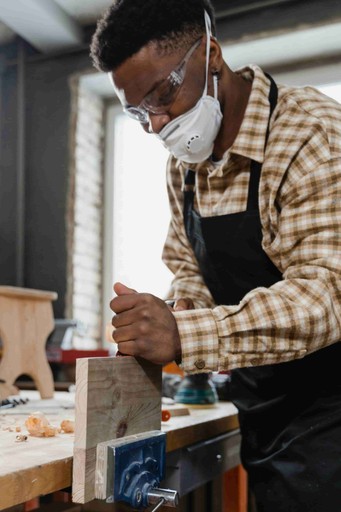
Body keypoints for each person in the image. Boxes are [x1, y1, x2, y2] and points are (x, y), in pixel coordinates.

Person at [90, 1, 341, 510]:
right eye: (138, 112)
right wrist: (176, 310)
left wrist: (184, 334)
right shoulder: (184, 166)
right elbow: (189, 266)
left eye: (163, 94)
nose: (157, 124)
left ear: (211, 53)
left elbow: (325, 295)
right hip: (264, 408)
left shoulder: (309, 133)